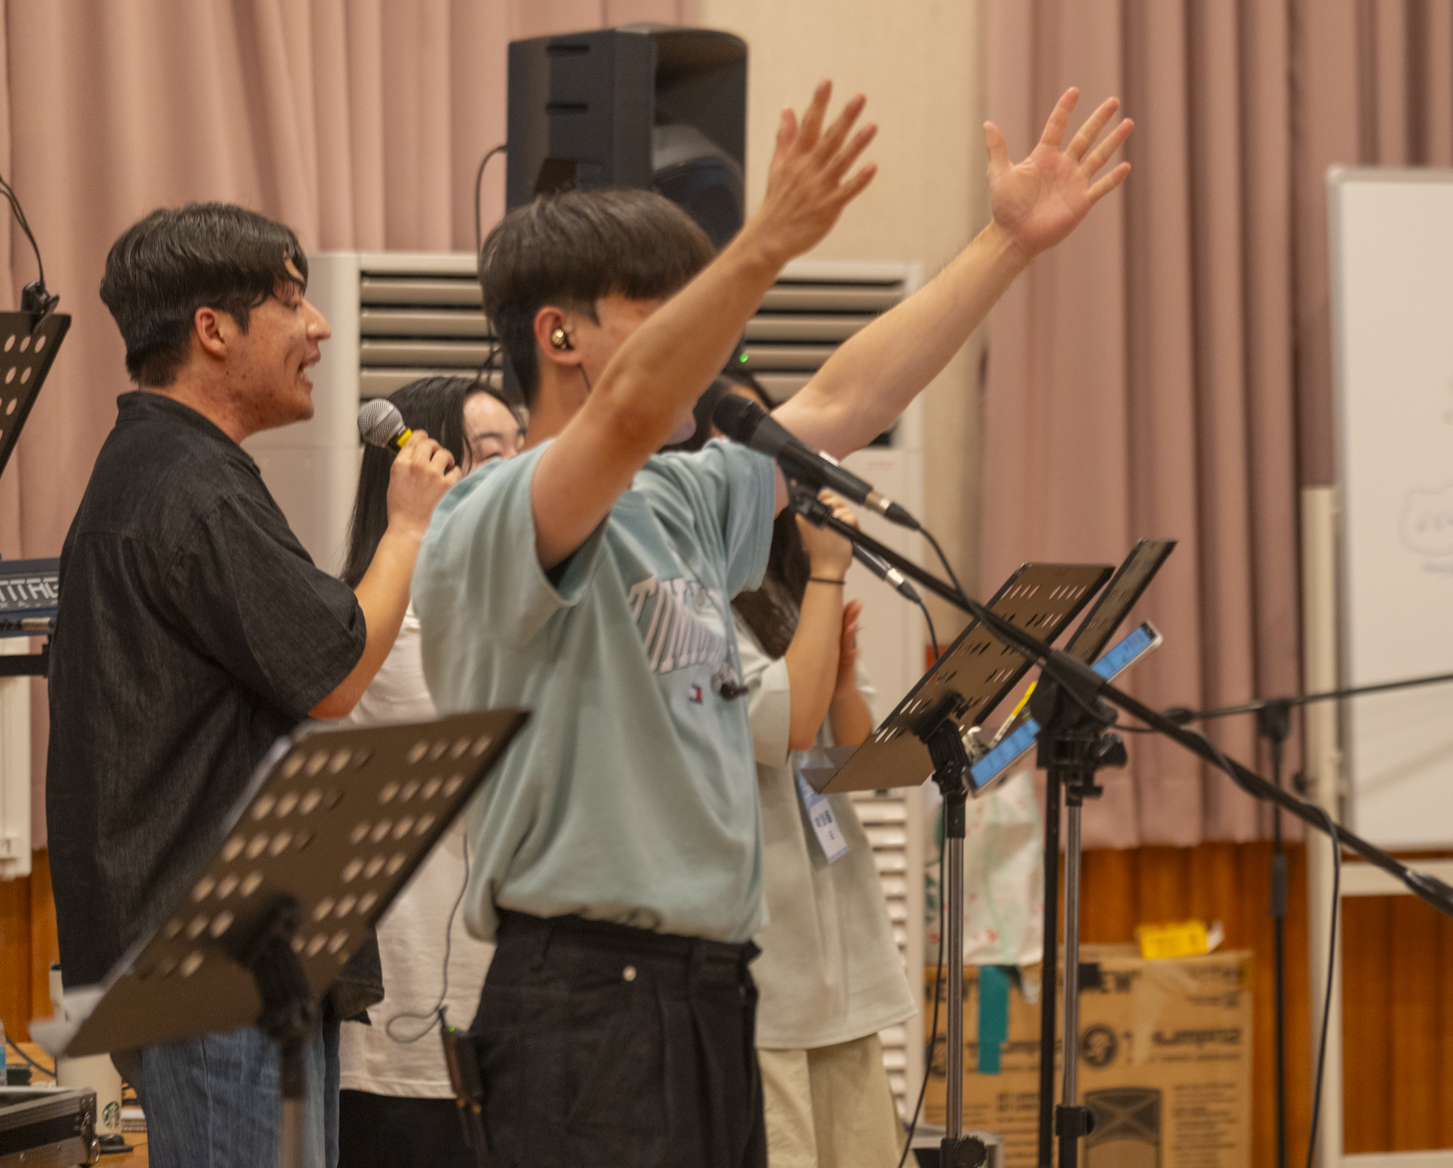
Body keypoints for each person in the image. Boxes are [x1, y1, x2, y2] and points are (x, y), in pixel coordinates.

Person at [413, 82, 1131, 1168]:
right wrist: (764, 245)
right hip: (582, 998)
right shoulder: (492, 512)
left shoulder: (684, 498)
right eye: (665, 309)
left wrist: (1008, 243)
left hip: (714, 984)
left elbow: (844, 400)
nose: (715, 340)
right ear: (559, 335)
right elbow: (622, 412)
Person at [46, 203, 459, 1168]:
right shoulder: (189, 484)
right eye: (292, 301)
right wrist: (406, 529)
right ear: (213, 329)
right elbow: (336, 673)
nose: (320, 327)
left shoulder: (166, 467)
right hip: (215, 961)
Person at [681, 373, 916, 1167]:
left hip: (837, 945)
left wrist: (843, 676)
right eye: (737, 442)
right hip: (763, 959)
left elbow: (853, 750)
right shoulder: (688, 590)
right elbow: (787, 726)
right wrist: (829, 572)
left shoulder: (780, 585)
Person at [333, 377, 524, 1168]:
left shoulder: (515, 612)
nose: (521, 471)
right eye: (491, 454)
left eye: (524, 450)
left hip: (514, 1014)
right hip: (412, 1035)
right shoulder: (389, 628)